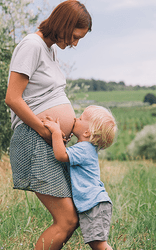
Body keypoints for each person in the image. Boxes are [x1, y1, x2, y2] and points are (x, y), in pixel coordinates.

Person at [5, 1, 92, 249]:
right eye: (75, 37)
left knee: (72, 216)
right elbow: (12, 97)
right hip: (33, 139)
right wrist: (46, 132)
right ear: (64, 25)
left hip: (45, 139)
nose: (75, 44)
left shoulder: (49, 49)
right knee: (67, 219)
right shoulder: (32, 45)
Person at [43, 105, 117, 250]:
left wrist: (56, 132)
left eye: (81, 118)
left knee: (99, 245)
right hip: (94, 204)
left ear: (87, 132)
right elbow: (65, 152)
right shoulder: (85, 148)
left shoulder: (84, 149)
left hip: (94, 204)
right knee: (95, 243)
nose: (76, 119)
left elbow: (60, 155)